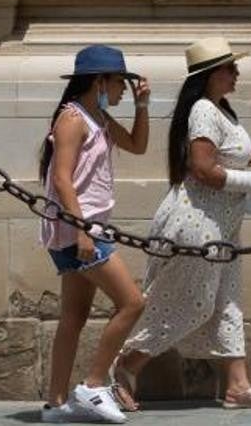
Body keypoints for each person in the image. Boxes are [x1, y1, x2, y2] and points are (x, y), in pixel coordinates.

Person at [110, 37, 251, 411]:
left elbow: (225, 155)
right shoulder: (203, 110)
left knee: (227, 302)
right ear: (210, 75)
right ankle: (126, 365)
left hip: (223, 224)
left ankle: (238, 386)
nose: (237, 73)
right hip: (197, 224)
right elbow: (202, 168)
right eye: (230, 68)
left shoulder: (222, 110)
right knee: (191, 305)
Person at [39, 45, 151, 424]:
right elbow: (62, 178)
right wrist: (82, 230)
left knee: (74, 316)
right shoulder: (73, 119)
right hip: (81, 230)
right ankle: (93, 384)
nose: (122, 89)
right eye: (120, 82)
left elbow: (137, 146)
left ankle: (55, 405)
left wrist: (142, 107)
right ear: (99, 81)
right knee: (133, 302)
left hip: (86, 227)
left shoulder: (97, 116)